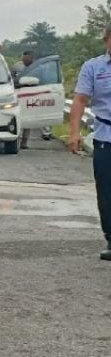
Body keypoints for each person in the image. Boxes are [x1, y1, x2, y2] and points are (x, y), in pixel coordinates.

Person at [68, 25, 111, 261]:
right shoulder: (94, 67)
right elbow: (80, 100)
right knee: (106, 192)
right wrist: (74, 132)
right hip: (106, 137)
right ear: (106, 40)